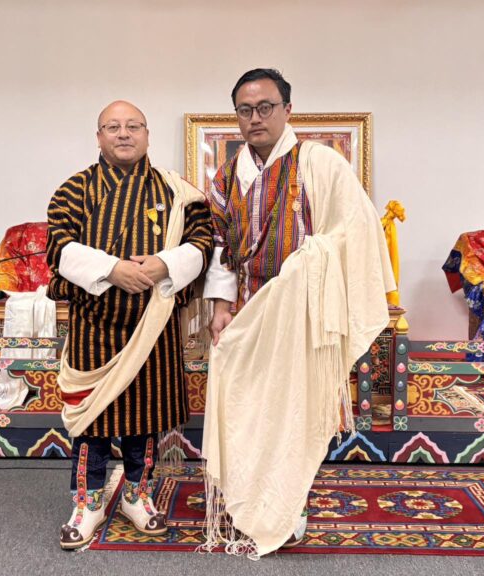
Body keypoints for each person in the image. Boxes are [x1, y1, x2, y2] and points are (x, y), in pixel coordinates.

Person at [201, 69, 395, 557]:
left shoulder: (319, 163)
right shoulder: (226, 176)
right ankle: (250, 500)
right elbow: (220, 245)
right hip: (248, 310)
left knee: (293, 413)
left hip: (304, 315)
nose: (255, 118)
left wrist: (313, 258)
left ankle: (287, 507)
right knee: (246, 409)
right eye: (245, 110)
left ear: (288, 110)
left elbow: (357, 227)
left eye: (265, 107)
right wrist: (220, 305)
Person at [45, 100, 213, 550]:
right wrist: (112, 270)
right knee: (92, 422)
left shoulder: (178, 193)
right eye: (113, 126)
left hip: (153, 327)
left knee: (145, 418)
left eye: (133, 126)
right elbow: (59, 246)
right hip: (93, 327)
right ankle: (88, 502)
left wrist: (164, 264)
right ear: (99, 136)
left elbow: (202, 241)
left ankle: (137, 496)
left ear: (147, 134)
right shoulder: (73, 191)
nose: (124, 133)